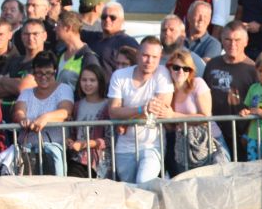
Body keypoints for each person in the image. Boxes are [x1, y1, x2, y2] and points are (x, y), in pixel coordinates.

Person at [107, 36, 174, 182]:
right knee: (129, 191)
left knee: (143, 183)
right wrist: (141, 109)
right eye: (145, 55)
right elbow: (113, 111)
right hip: (124, 147)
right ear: (137, 54)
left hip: (152, 145)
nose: (149, 61)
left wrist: (126, 120)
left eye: (154, 57)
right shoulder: (119, 75)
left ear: (160, 58)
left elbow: (158, 110)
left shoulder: (162, 73)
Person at [153, 49, 220, 175]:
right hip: (182, 144)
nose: (181, 72)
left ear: (191, 71)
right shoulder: (168, 90)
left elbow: (205, 117)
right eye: (176, 67)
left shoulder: (198, 83)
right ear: (169, 68)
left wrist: (173, 116)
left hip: (210, 141)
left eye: (186, 69)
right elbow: (169, 124)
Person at [12, 51, 75, 175]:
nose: (43, 77)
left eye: (48, 73)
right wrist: (23, 118)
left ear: (55, 72)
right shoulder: (26, 93)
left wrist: (45, 118)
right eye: (39, 73)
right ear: (33, 73)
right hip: (27, 152)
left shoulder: (64, 89)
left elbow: (66, 111)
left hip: (53, 154)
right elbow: (18, 111)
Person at [203, 21, 259, 158]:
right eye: (228, 39)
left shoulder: (254, 69)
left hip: (242, 135)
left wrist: (248, 134)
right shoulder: (212, 64)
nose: (232, 44)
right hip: (214, 133)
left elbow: (259, 104)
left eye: (237, 40)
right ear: (222, 40)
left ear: (246, 42)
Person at [65, 65, 110, 178]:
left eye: (92, 80)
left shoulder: (108, 105)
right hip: (78, 160)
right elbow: (74, 133)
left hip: (100, 163)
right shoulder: (77, 106)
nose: (87, 84)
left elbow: (110, 138)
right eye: (84, 80)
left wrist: (86, 144)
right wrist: (70, 141)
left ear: (100, 82)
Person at [56, 11, 102, 91]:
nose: (55, 28)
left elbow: (94, 90)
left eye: (58, 25)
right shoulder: (60, 54)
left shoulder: (89, 58)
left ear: (68, 27)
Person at [91, 3, 139, 75]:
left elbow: (138, 67)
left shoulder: (128, 42)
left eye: (112, 17)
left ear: (122, 21)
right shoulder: (93, 38)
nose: (107, 20)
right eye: (104, 17)